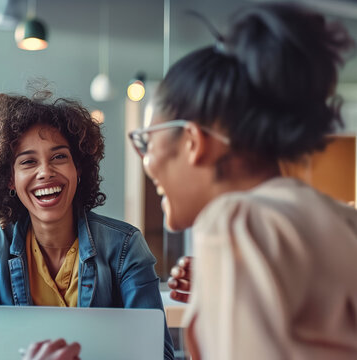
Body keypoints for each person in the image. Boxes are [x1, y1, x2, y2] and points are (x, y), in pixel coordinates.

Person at [128, 2, 357, 359]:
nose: (145, 159)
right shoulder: (342, 220)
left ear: (192, 142)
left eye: (146, 141)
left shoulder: (235, 222)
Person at [0, 92, 175, 360]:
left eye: (59, 157)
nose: (45, 172)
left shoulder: (125, 246)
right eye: (28, 161)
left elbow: (158, 352)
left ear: (78, 168)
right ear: (10, 179)